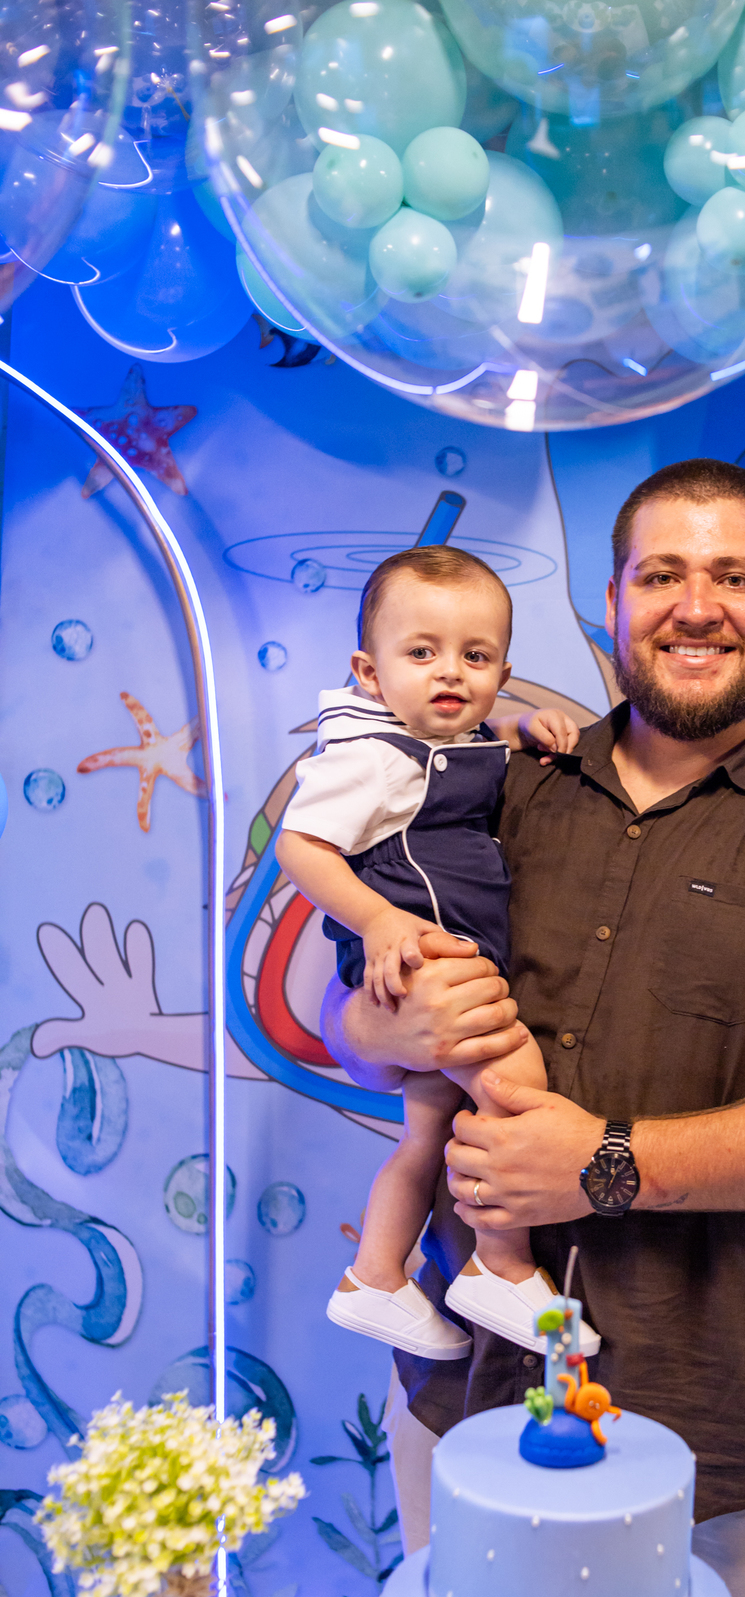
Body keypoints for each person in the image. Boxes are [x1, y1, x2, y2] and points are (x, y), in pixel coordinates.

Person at [321, 459, 745, 1597]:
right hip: (466, 1406)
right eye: (661, 575)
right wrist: (383, 1027)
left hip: (716, 1443)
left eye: (736, 577)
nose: (696, 606)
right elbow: (354, 1023)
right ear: (613, 603)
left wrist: (607, 1164)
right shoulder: (505, 785)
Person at [277, 545, 602, 1362]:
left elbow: (472, 753)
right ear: (369, 671)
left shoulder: (451, 737)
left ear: (502, 673)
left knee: (425, 1136)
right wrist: (378, 921)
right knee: (516, 1090)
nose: (450, 671)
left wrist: (523, 730)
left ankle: (374, 1275)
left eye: (476, 657)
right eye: (421, 652)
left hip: (442, 958)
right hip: (424, 958)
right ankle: (502, 1265)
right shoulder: (367, 756)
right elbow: (300, 847)